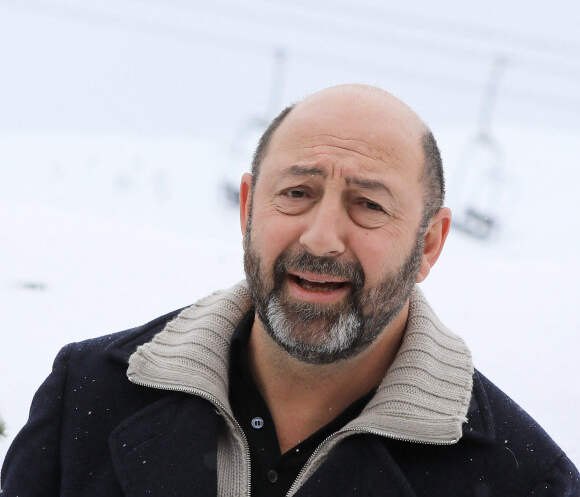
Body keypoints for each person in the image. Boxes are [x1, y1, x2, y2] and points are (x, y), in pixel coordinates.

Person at [2, 84, 578, 496]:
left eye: (369, 205)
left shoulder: (526, 480)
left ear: (428, 244)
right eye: (298, 192)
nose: (323, 237)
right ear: (250, 206)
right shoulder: (88, 395)